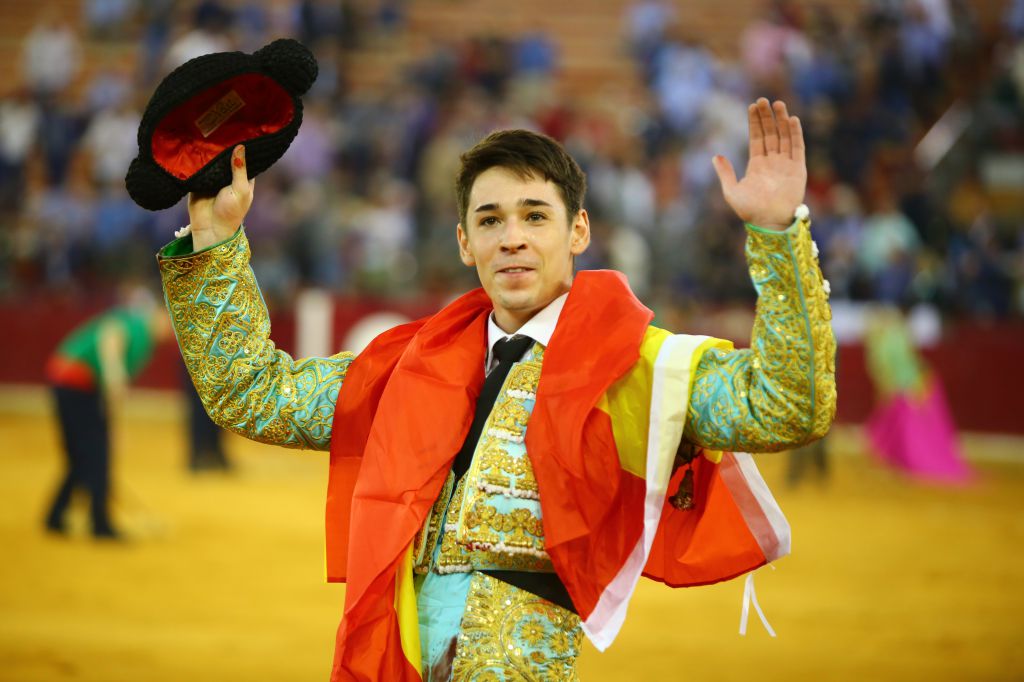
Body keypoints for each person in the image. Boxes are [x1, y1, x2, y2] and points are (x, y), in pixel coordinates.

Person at [157, 98, 835, 680]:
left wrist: (777, 237)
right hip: (405, 655)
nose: (512, 238)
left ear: (578, 231)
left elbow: (787, 406)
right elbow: (250, 392)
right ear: (463, 241)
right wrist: (215, 242)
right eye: (490, 220)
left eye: (535, 216)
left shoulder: (639, 370)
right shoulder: (409, 366)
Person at [44, 299, 171, 539]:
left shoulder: (147, 342)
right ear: (159, 314)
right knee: (95, 454)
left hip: (78, 384)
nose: (172, 330)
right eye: (170, 321)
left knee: (83, 454)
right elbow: (110, 336)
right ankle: (99, 523)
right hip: (75, 381)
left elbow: (113, 389)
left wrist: (111, 428)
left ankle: (56, 516)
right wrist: (113, 370)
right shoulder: (137, 326)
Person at [864, 305, 970, 483]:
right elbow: (909, 363)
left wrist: (895, 391)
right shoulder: (897, 335)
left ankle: (904, 459)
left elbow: (889, 370)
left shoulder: (882, 342)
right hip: (917, 383)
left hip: (911, 386)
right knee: (918, 426)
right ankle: (903, 459)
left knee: (910, 427)